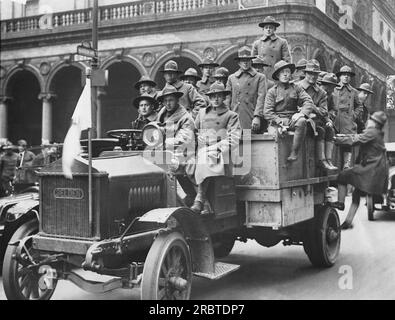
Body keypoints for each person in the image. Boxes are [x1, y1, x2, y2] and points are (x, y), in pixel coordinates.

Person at [332, 111, 388, 230]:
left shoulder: (372, 132)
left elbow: (354, 140)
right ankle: (348, 221)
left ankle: (340, 203)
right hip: (375, 171)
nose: (368, 121)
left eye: (371, 119)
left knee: (342, 175)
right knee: (356, 194)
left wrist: (335, 139)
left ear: (375, 123)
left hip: (371, 170)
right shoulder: (376, 133)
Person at [191, 82, 241, 213]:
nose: (216, 99)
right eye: (212, 96)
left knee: (206, 157)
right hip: (200, 149)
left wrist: (218, 147)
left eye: (219, 96)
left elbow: (234, 138)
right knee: (179, 162)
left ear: (224, 97)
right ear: (208, 98)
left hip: (220, 153)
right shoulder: (201, 113)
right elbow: (192, 131)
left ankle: (200, 198)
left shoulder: (231, 115)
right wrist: (197, 137)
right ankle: (202, 204)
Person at [264, 60, 314, 162]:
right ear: (278, 75)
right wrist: (278, 121)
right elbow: (267, 112)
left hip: (293, 119)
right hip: (277, 122)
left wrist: (301, 114)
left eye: (287, 71)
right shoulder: (272, 91)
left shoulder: (296, 88)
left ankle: (294, 153)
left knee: (302, 121)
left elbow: (308, 101)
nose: (286, 74)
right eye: (282, 72)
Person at [156, 84, 197, 207]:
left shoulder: (186, 118)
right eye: (165, 101)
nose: (168, 104)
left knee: (172, 165)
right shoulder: (161, 115)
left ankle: (184, 198)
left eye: (171, 100)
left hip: (184, 153)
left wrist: (163, 142)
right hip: (163, 152)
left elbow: (184, 139)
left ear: (177, 100)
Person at [297, 60, 337, 171]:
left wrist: (311, 106)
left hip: (315, 122)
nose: (313, 76)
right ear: (305, 73)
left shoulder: (322, 93)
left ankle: (327, 160)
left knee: (328, 130)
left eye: (315, 74)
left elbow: (323, 111)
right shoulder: (296, 87)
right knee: (321, 130)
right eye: (310, 73)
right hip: (299, 121)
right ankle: (322, 160)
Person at [226, 46, 267, 132]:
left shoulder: (260, 77)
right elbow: (227, 99)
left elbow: (261, 98)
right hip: (234, 116)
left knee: (247, 143)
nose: (245, 62)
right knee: (233, 143)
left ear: (251, 61)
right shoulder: (232, 78)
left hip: (250, 117)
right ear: (238, 62)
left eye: (247, 60)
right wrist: (225, 116)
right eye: (242, 60)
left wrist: (257, 117)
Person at [333, 65, 363, 170]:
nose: (346, 77)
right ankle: (335, 168)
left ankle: (346, 165)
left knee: (348, 144)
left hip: (348, 122)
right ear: (340, 76)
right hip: (336, 119)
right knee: (335, 143)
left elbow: (359, 105)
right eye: (344, 75)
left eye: (348, 75)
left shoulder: (354, 91)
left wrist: (353, 115)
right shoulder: (334, 88)